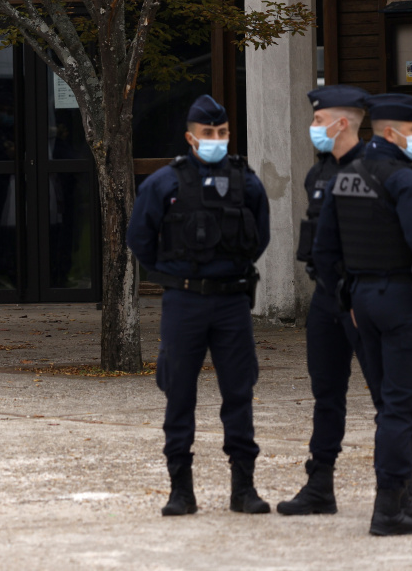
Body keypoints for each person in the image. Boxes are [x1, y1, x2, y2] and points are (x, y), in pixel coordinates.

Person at [313, 94, 412, 536]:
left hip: (362, 302)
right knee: (401, 408)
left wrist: (347, 303)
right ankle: (388, 509)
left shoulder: (345, 177)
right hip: (402, 303)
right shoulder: (406, 181)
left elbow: (324, 252)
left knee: (388, 404)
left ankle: (405, 500)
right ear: (391, 132)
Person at [127, 94, 271, 517]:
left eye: (222, 132)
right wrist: (172, 273)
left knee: (239, 392)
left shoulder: (246, 181)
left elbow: (260, 235)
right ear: (191, 137)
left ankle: (243, 489)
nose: (216, 139)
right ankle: (180, 490)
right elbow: (139, 237)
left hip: (231, 302)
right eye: (208, 133)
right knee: (179, 393)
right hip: (184, 300)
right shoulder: (164, 183)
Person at [278, 85, 380, 515]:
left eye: (319, 121)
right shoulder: (317, 173)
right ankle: (320, 486)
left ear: (341, 123)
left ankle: (400, 492)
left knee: (387, 398)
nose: (313, 127)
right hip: (325, 299)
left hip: (364, 300)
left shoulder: (378, 169)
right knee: (326, 394)